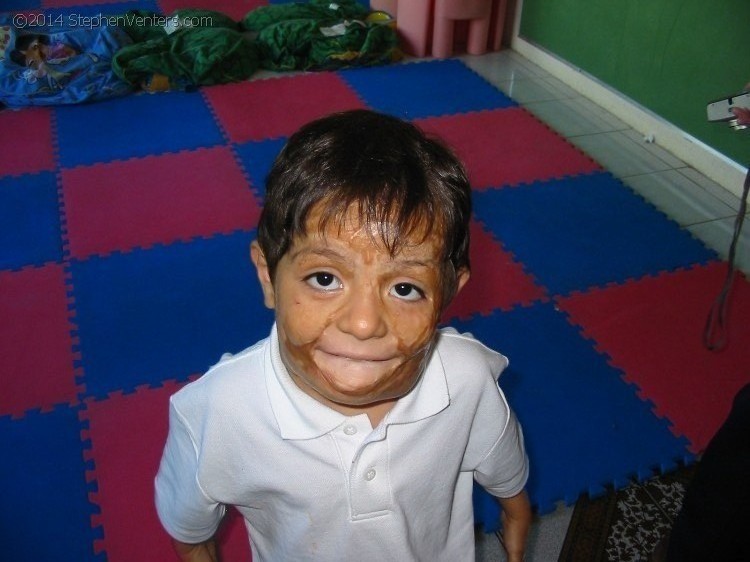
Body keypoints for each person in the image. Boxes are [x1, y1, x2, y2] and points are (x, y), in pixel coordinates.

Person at [154, 109, 532, 562]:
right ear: (269, 277)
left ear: (448, 293)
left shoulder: (466, 381)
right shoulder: (216, 413)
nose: (364, 322)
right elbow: (190, 532)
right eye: (324, 279)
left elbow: (507, 476)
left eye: (405, 288)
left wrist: (516, 518)